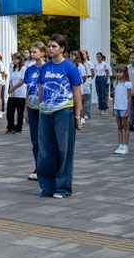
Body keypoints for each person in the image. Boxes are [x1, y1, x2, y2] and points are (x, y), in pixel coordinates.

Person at [36, 34, 83, 198]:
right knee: (46, 151)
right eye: (49, 46)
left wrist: (78, 117)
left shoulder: (69, 67)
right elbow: (40, 89)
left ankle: (63, 188)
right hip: (46, 113)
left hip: (64, 111)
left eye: (54, 46)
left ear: (62, 49)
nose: (50, 49)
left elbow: (77, 93)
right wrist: (39, 109)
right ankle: (48, 186)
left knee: (64, 150)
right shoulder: (45, 68)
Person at [23, 43, 46, 180]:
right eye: (31, 52)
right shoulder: (29, 70)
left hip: (45, 108)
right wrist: (26, 109)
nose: (32, 54)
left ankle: (47, 167)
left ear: (43, 53)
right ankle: (38, 167)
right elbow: (28, 90)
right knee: (35, 139)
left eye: (34, 52)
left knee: (45, 139)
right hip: (32, 108)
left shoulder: (48, 68)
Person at [112, 66, 133, 155]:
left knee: (125, 127)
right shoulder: (115, 83)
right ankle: (120, 145)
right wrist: (113, 108)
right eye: (118, 72)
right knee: (119, 127)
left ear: (125, 73)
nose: (119, 74)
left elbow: (129, 97)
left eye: (121, 72)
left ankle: (125, 146)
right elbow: (114, 97)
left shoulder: (128, 84)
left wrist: (128, 110)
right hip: (117, 107)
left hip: (124, 108)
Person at [5, 52, 27, 134]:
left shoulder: (24, 68)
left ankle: (18, 128)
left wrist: (13, 88)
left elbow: (22, 81)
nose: (13, 61)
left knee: (19, 112)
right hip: (13, 92)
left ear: (20, 59)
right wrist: (11, 89)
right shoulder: (12, 68)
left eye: (15, 59)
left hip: (21, 93)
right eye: (13, 59)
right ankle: (10, 127)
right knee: (9, 111)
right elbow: (10, 79)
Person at [77, 50, 95, 119]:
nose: (83, 55)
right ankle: (82, 114)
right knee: (82, 100)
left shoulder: (88, 63)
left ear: (87, 55)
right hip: (83, 83)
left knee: (87, 99)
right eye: (82, 54)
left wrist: (88, 80)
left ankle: (88, 113)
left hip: (87, 83)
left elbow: (92, 74)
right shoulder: (80, 63)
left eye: (84, 54)